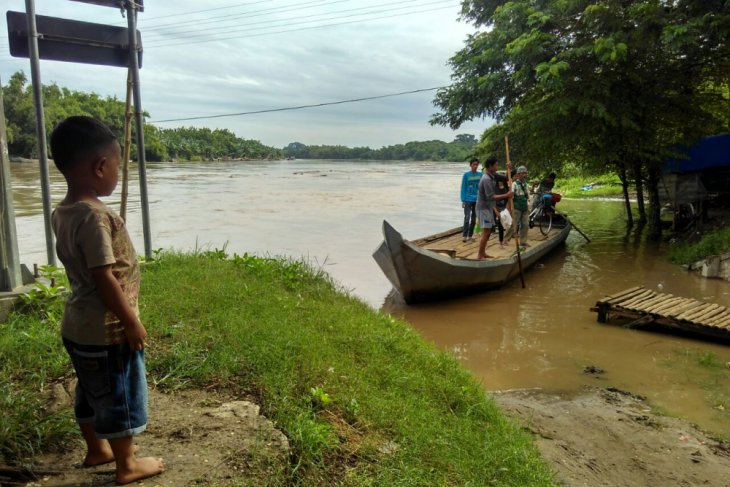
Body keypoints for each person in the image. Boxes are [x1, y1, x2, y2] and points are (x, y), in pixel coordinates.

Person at [49, 116, 164, 485]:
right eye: (119, 164)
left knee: (90, 390)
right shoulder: (96, 217)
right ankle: (126, 465)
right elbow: (104, 276)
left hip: (77, 326)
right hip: (107, 331)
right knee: (119, 396)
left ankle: (96, 449)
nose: (119, 171)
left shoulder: (62, 211)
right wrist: (131, 321)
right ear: (100, 167)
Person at [476, 157, 513, 259]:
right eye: (495, 165)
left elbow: (506, 178)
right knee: (486, 232)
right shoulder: (486, 179)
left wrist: (509, 169)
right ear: (490, 166)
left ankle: (483, 253)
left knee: (487, 233)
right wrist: (506, 195)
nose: (497, 167)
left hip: (488, 207)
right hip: (483, 208)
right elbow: (491, 197)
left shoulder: (492, 175)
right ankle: (480, 255)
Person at [460, 157, 481, 242]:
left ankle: (470, 235)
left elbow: (482, 188)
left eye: (476, 164)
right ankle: (464, 236)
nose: (475, 166)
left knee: (473, 219)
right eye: (473, 164)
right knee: (467, 217)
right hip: (468, 200)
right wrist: (463, 200)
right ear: (470, 165)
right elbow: (463, 188)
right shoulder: (466, 175)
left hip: (477, 200)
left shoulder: (480, 175)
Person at [512, 165, 530, 245]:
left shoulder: (526, 184)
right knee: (514, 224)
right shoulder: (514, 184)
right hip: (517, 207)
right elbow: (511, 196)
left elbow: (528, 195)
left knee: (525, 225)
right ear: (518, 174)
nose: (524, 175)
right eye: (523, 173)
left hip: (525, 207)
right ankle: (505, 239)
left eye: (525, 173)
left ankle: (523, 242)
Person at [492, 171, 511, 247]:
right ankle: (500, 241)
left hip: (503, 209)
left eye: (501, 181)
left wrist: (508, 209)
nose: (500, 182)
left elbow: (508, 199)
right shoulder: (494, 188)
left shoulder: (506, 189)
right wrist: (496, 211)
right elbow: (492, 201)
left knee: (503, 225)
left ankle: (502, 241)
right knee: (494, 225)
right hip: (495, 208)